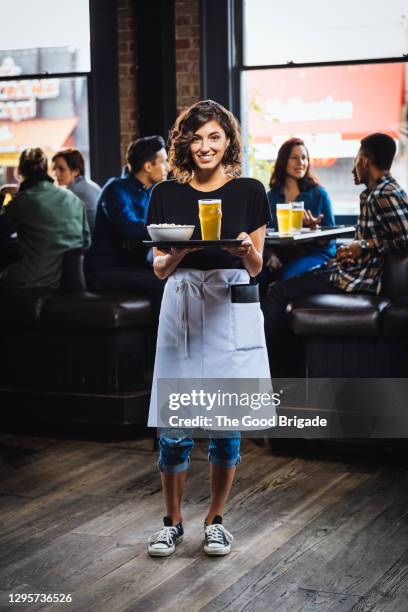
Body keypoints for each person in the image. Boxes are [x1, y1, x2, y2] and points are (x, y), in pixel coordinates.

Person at [146, 100, 271, 557]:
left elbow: (257, 266)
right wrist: (176, 254)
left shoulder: (250, 191)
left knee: (225, 425)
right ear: (185, 143)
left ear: (228, 142)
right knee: (175, 424)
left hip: (230, 301)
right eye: (196, 138)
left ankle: (216, 520)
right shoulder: (165, 193)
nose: (205, 146)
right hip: (182, 301)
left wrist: (244, 253)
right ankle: (172, 522)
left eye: (214, 137)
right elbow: (159, 269)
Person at [263, 132, 408, 378]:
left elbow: (405, 237)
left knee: (278, 292)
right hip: (348, 270)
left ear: (364, 160)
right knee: (278, 287)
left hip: (357, 280)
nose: (353, 166)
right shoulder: (376, 192)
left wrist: (363, 246)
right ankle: (288, 372)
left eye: (355, 158)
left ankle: (275, 376)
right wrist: (353, 250)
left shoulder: (384, 194)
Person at [84, 136, 169, 323]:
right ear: (148, 166)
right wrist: (165, 231)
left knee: (180, 277)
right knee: (161, 283)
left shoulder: (150, 192)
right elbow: (128, 227)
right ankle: (157, 348)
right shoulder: (115, 189)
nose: (168, 167)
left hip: (131, 267)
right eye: (163, 162)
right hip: (105, 271)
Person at [0, 148, 90, 288]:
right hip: (71, 279)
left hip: (35, 279)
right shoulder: (73, 198)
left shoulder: (23, 201)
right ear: (46, 169)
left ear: (20, 172)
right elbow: (86, 241)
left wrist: (2, 195)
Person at [265, 138, 336, 281]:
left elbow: (330, 240)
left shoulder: (319, 194)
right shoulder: (271, 196)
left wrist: (314, 228)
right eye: (294, 158)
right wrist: (270, 255)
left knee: (287, 276)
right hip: (282, 254)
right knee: (257, 275)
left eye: (304, 158)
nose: (301, 163)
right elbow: (262, 235)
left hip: (315, 254)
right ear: (283, 161)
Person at [52, 148, 101, 232]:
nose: (56, 174)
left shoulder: (73, 192)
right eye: (55, 169)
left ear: (76, 171)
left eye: (61, 169)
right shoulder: (92, 185)